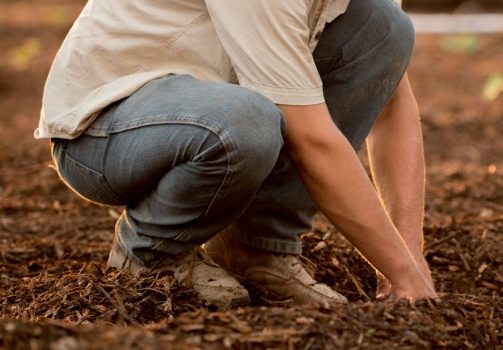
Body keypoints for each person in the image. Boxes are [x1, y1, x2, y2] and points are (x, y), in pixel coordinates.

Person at [37, 0, 437, 309]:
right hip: (105, 127)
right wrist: (401, 275)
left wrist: (410, 254)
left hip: (213, 102)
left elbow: (393, 102)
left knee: (382, 26)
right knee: (246, 122)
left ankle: (257, 247)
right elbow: (311, 138)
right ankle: (153, 253)